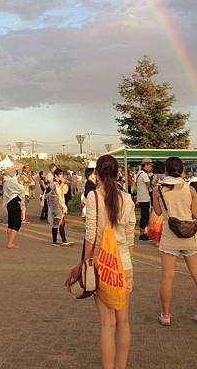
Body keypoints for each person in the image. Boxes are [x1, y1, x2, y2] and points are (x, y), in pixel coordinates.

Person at [70, 154, 135, 369]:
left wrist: (83, 263)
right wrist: (127, 259)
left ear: (96, 173)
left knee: (107, 324)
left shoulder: (94, 197)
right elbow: (130, 235)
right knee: (123, 321)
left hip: (102, 265)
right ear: (118, 174)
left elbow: (91, 237)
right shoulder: (127, 199)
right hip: (124, 264)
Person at [152, 156, 197, 326]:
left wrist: (156, 197)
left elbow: (157, 212)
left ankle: (165, 315)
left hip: (169, 238)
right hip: (190, 238)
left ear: (166, 170)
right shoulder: (190, 189)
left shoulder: (158, 190)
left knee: (167, 278)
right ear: (182, 170)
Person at [46, 168, 73, 246]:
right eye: (60, 175)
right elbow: (58, 191)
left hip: (59, 204)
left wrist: (63, 184)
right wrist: (62, 184)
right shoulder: (54, 183)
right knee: (59, 222)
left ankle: (59, 240)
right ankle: (61, 241)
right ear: (56, 176)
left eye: (62, 174)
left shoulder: (58, 183)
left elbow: (64, 191)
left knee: (60, 222)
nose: (62, 176)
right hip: (56, 205)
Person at [2, 166, 25, 249]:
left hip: (9, 203)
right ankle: (10, 243)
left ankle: (9, 242)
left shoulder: (6, 181)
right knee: (16, 223)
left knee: (11, 223)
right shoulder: (12, 181)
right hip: (14, 203)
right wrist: (20, 183)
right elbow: (21, 190)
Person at [135, 159, 152, 241]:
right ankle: (142, 234)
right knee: (145, 216)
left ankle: (143, 233)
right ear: (146, 165)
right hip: (144, 197)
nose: (151, 167)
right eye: (150, 165)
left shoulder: (139, 173)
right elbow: (148, 183)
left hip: (141, 197)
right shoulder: (144, 174)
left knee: (144, 215)